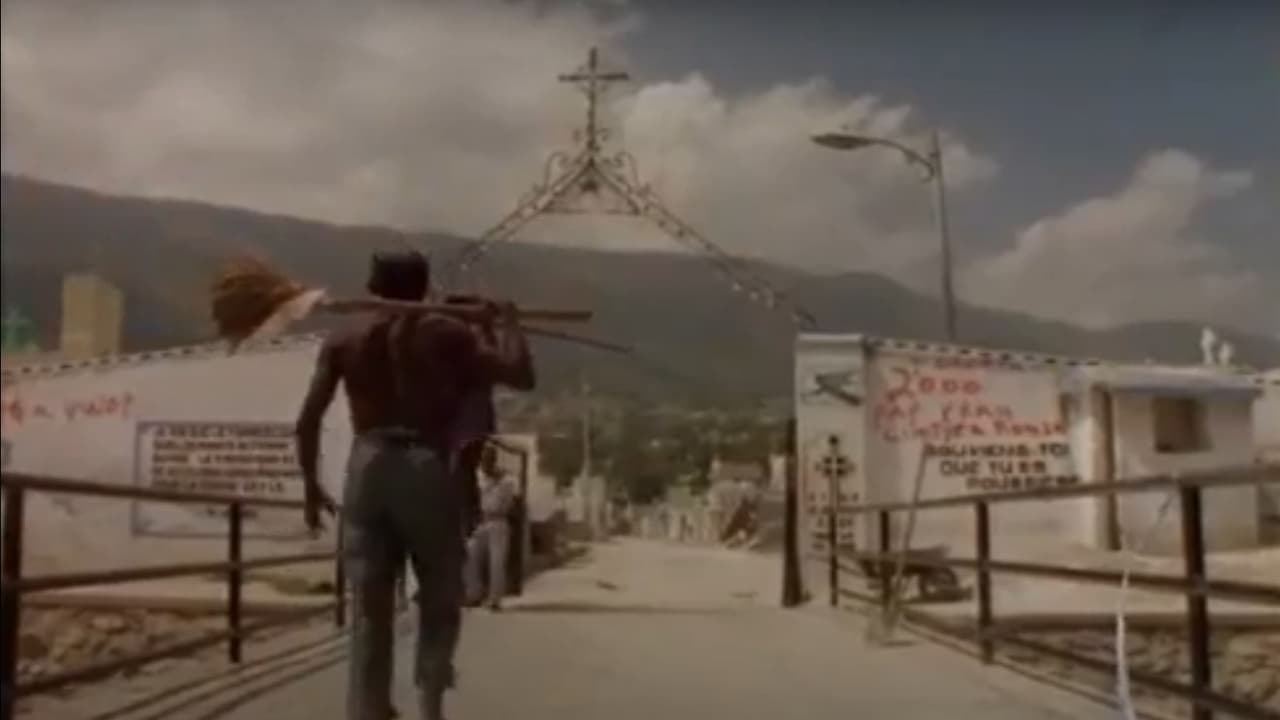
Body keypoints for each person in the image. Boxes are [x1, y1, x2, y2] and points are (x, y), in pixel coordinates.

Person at [295, 250, 535, 720]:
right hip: (425, 464)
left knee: (369, 604)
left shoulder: (345, 337)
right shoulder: (446, 333)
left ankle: (369, 708)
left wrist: (309, 484)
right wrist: (508, 323)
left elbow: (307, 421)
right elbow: (520, 374)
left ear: (371, 287)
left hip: (367, 466)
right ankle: (430, 701)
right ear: (424, 289)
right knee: (440, 591)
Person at [464, 444, 518, 610]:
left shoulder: (506, 480)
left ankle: (495, 599)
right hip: (481, 521)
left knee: (497, 562)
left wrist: (494, 482)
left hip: (498, 521)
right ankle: (474, 593)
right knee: (469, 555)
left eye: (488, 459)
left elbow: (506, 503)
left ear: (494, 460)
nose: (485, 462)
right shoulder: (478, 476)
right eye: (483, 459)